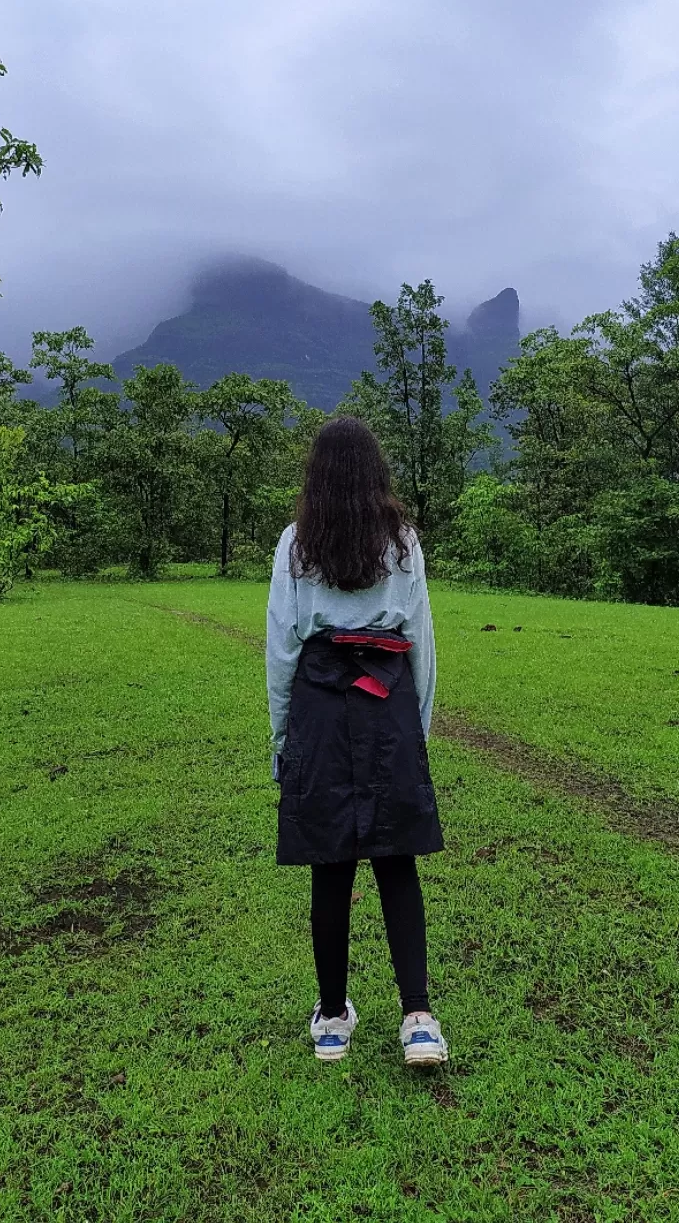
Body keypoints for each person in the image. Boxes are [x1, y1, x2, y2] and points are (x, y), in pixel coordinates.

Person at [266, 416, 448, 1066]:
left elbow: (282, 649)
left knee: (330, 863)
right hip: (387, 709)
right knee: (397, 860)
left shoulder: (296, 544)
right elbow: (420, 643)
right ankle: (418, 1020)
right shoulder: (403, 543)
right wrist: (414, 732)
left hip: (318, 709)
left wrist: (281, 740)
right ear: (377, 475)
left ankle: (334, 1019)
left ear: (316, 476)